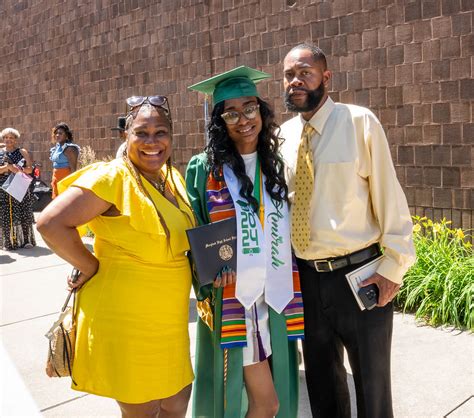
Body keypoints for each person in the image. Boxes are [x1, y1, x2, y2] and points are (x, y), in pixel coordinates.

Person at [280, 43, 416, 418]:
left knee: (372, 389)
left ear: (326, 77)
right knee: (323, 387)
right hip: (307, 279)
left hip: (361, 276)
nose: (295, 81)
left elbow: (389, 195)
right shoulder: (283, 138)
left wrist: (392, 269)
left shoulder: (360, 123)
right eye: (289, 75)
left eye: (304, 72)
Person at [37, 96, 195, 417]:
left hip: (170, 323)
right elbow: (50, 223)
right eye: (142, 132)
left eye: (160, 132)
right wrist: (89, 264)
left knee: (177, 404)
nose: (152, 141)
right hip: (127, 324)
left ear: (172, 135)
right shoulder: (112, 177)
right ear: (126, 134)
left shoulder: (172, 178)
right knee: (142, 409)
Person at [186, 66, 304, 418]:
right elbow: (194, 235)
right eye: (231, 112)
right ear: (220, 120)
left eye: (250, 108)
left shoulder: (276, 164)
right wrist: (207, 280)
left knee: (272, 394)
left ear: (262, 111)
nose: (243, 119)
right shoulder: (204, 169)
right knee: (263, 403)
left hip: (277, 296)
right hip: (234, 299)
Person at [0, 128, 36, 250]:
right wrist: (6, 168)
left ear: (15, 139)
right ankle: (8, 242)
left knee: (22, 212)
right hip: (3, 186)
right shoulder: (0, 152)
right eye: (6, 137)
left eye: (11, 137)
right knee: (6, 214)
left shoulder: (22, 152)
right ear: (3, 139)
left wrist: (18, 169)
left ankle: (26, 241)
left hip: (19, 183)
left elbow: (30, 169)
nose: (8, 140)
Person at [49, 122, 80, 198]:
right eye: (56, 133)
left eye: (60, 133)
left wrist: (72, 185)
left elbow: (73, 170)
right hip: (56, 178)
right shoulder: (57, 147)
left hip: (65, 179)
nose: (57, 135)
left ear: (66, 136)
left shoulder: (70, 148)